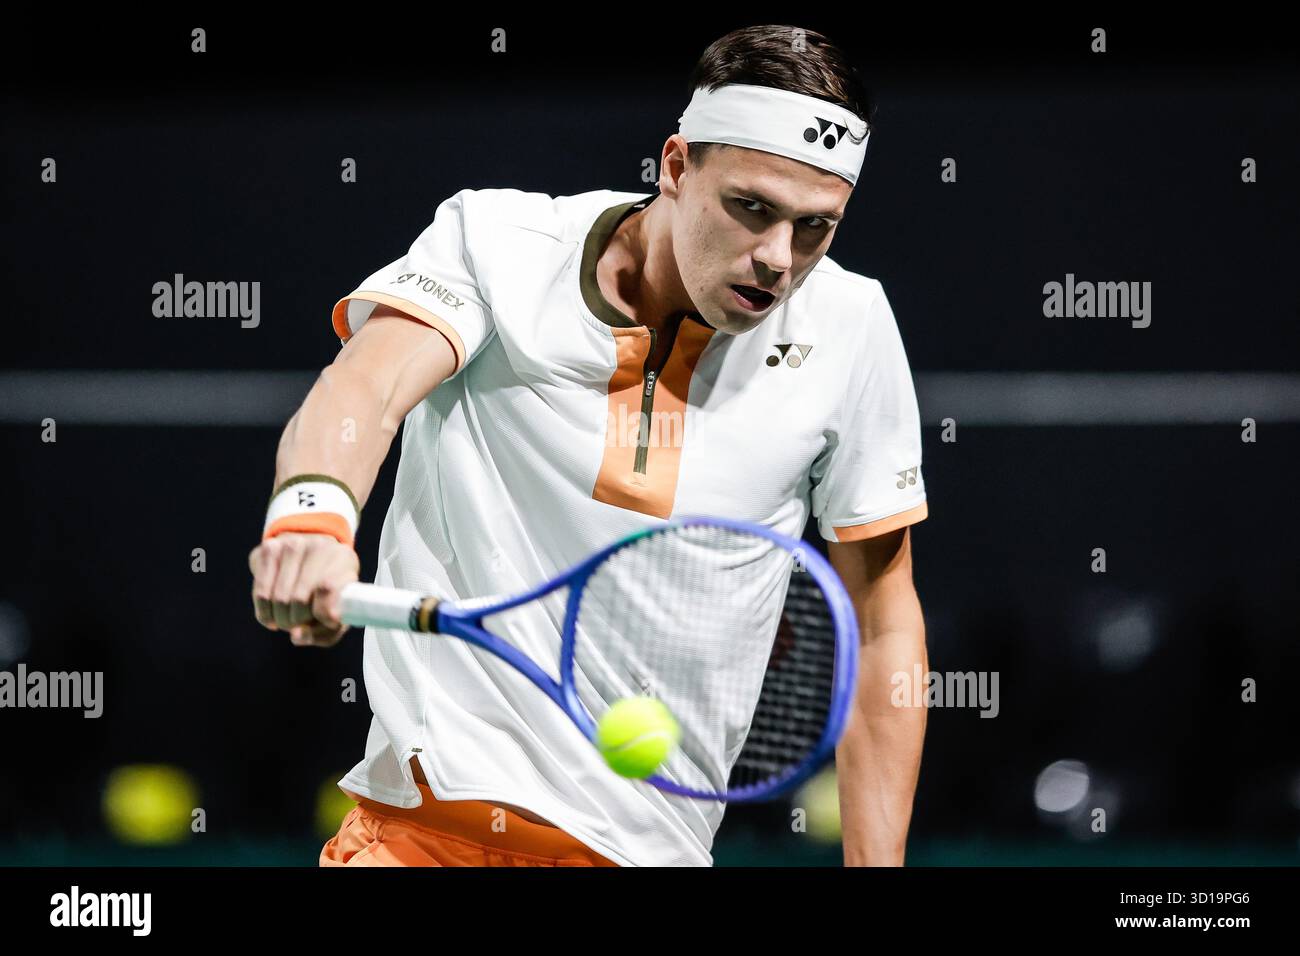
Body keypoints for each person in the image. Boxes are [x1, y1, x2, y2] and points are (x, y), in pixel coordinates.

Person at [248, 24, 929, 867]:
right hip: (424, 834)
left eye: (816, 228)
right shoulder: (497, 245)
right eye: (751, 208)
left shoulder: (850, 328)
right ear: (675, 167)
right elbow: (367, 387)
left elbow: (883, 628)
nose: (778, 260)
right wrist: (311, 515)